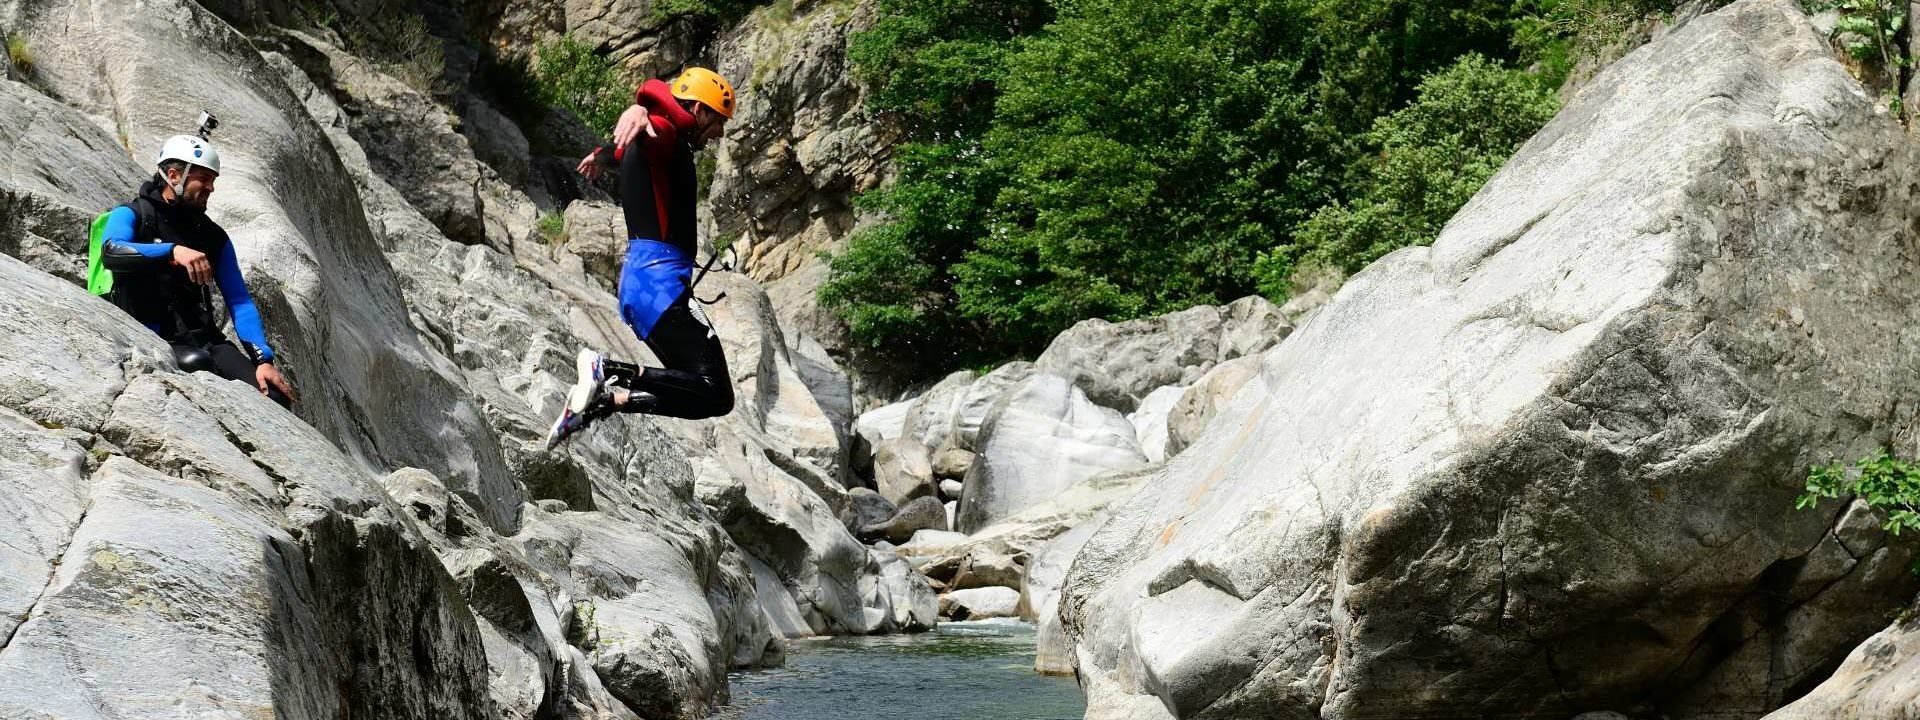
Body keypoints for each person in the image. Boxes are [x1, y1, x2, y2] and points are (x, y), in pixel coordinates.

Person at [545, 67, 738, 448]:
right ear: (698, 110)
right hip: (659, 285)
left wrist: (604, 155)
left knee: (703, 394)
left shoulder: (656, 145)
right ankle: (605, 369)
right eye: (717, 121)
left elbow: (627, 149)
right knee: (716, 391)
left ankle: (603, 402)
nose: (719, 134)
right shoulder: (665, 134)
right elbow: (654, 131)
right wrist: (642, 110)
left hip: (644, 288)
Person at [99, 133, 296, 408]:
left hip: (202, 337)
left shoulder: (212, 236)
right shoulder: (133, 214)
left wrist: (263, 360)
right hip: (151, 332)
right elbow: (111, 251)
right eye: (203, 179)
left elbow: (239, 300)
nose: (211, 188)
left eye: (212, 180)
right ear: (174, 175)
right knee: (197, 364)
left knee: (274, 396)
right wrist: (171, 251)